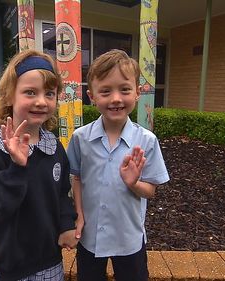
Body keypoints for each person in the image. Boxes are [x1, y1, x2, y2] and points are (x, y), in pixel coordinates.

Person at [0, 49, 78, 281]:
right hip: (11, 264)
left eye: (49, 93)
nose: (41, 101)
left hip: (49, 259)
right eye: (30, 92)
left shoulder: (54, 147)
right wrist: (17, 169)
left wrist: (67, 224)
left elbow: (61, 195)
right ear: (9, 96)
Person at [66, 49, 170, 281]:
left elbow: (150, 191)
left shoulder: (146, 141)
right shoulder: (81, 138)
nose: (115, 99)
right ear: (91, 96)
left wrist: (133, 183)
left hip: (128, 237)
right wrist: (79, 215)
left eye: (124, 89)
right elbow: (77, 178)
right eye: (105, 91)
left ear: (137, 94)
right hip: (90, 235)